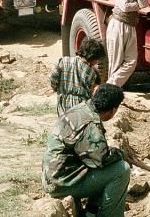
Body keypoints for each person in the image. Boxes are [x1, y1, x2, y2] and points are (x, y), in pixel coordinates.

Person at [41, 83, 130, 217]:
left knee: (103, 167)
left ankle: (90, 213)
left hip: (53, 177)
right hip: (61, 183)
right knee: (121, 169)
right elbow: (102, 159)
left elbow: (93, 153)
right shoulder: (90, 124)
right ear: (112, 110)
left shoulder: (81, 109)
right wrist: (120, 154)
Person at [106, 0, 149, 87]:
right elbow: (125, 7)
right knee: (116, 61)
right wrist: (138, 4)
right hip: (118, 25)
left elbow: (145, 4)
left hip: (131, 26)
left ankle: (109, 86)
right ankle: (112, 91)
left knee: (131, 61)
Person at [49, 38, 105, 115]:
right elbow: (90, 92)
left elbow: (53, 78)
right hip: (80, 107)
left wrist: (57, 89)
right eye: (97, 59)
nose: (97, 62)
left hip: (62, 103)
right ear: (92, 56)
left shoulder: (62, 61)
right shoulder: (91, 72)